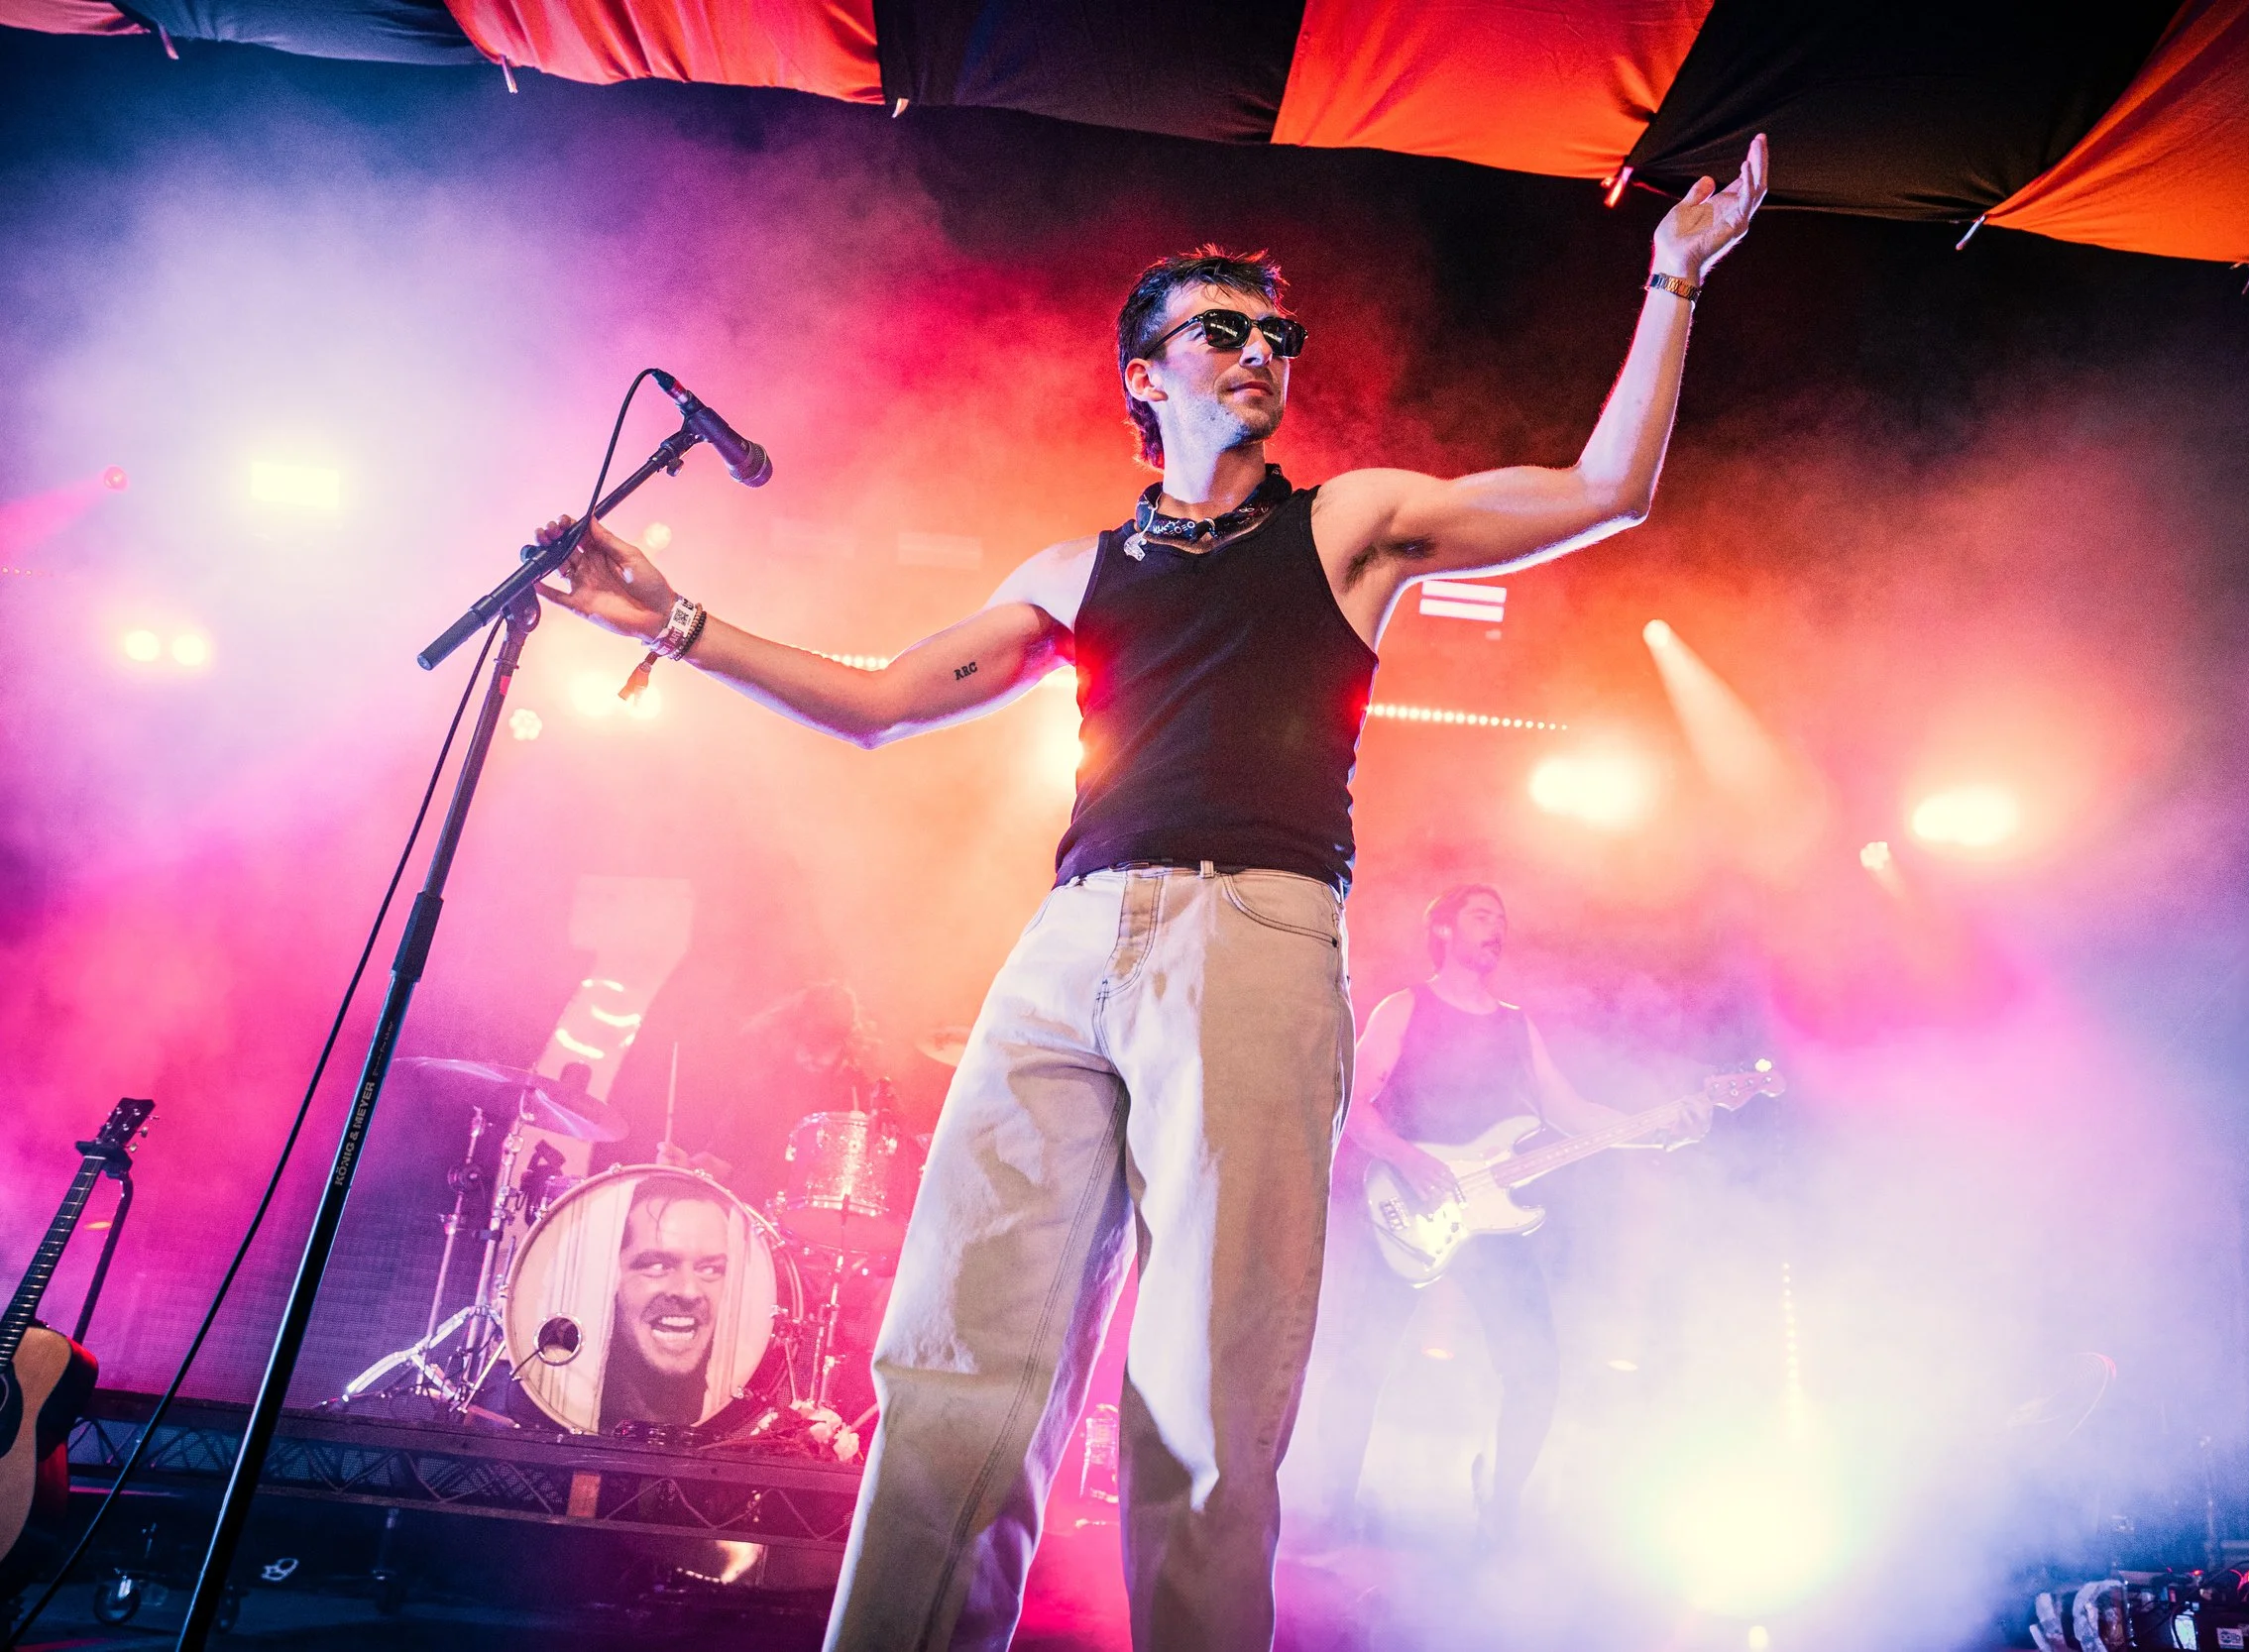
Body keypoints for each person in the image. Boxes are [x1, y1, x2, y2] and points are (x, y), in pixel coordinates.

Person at [531, 133, 1766, 1652]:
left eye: (1278, 335)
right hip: (1067, 944)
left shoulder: (1347, 523)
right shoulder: (1076, 565)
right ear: (1143, 373)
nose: (1261, 352)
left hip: (1252, 933)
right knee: (953, 1359)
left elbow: (1605, 488)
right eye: (1224, 330)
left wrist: (1672, 277)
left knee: (1203, 1392)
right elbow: (880, 699)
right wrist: (681, 617)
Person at [1297, 884, 1708, 1551]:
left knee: (1536, 1367)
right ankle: (1336, 1508)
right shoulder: (1406, 1006)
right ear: (1444, 930)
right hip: (1409, 1208)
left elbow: (1572, 1114)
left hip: (1492, 1219)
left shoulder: (1517, 1023)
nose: (1497, 928)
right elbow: (1349, 1102)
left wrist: (1658, 1130)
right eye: (1482, 915)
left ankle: (1501, 1506)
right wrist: (1408, 1158)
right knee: (1361, 1361)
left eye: (1503, 920)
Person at [600, 1174, 734, 1427]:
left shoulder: (745, 1424)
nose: (689, 1291)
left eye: (710, 1269)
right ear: (607, 1274)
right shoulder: (554, 1406)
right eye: (657, 1265)